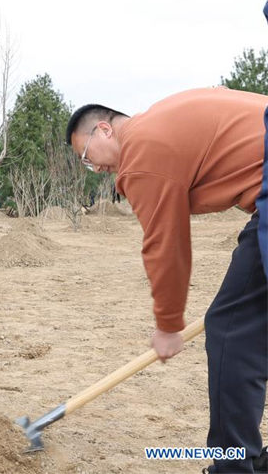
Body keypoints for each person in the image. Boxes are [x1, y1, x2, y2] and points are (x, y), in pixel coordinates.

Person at [66, 87, 268, 473]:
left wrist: (168, 324)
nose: (96, 170)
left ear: (105, 130)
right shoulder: (161, 123)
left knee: (231, 330)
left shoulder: (141, 151)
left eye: (88, 158)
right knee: (253, 326)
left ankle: (235, 465)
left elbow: (165, 243)